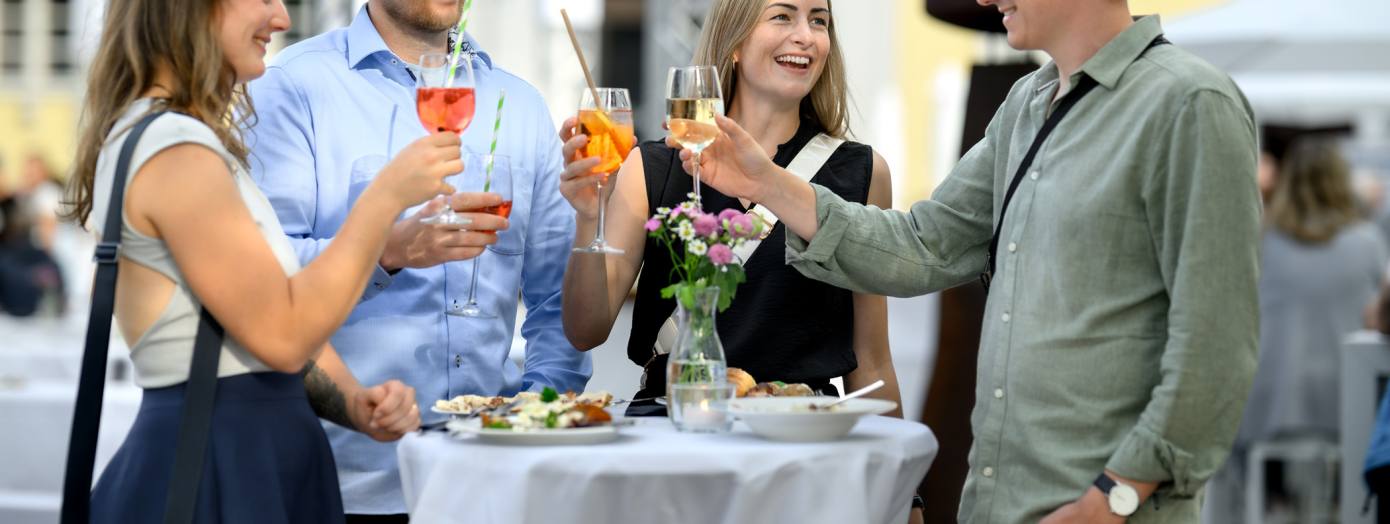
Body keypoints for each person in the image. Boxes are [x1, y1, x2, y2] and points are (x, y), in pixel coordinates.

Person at [670, 0, 1262, 522]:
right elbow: (925, 246)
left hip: (1104, 506)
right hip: (999, 501)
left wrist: (1115, 499)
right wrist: (767, 182)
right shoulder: (1027, 104)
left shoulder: (1190, 103)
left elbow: (1216, 345)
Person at [61, 0, 457, 519]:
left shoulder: (171, 138)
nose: (282, 19)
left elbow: (260, 323)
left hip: (241, 448)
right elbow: (285, 337)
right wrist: (384, 200)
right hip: (224, 460)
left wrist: (354, 402)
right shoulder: (175, 150)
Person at [247, 0, 590, 520]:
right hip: (345, 481)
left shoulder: (518, 105)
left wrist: (537, 416)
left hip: (491, 484)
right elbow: (264, 278)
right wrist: (387, 251)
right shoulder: (295, 86)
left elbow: (557, 302)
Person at [559, 0, 906, 420]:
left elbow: (870, 359)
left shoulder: (863, 174)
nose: (806, 35)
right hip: (676, 427)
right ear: (734, 43)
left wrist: (897, 477)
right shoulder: (653, 166)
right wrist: (586, 218)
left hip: (803, 432)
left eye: (819, 21)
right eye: (782, 16)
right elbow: (584, 330)